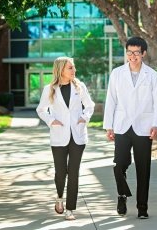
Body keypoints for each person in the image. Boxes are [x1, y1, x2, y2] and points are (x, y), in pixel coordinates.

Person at [103, 36, 157, 219]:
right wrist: (109, 126)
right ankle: (122, 194)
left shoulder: (152, 75)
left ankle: (142, 208)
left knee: (143, 169)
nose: (132, 56)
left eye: (136, 52)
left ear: (143, 54)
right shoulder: (117, 73)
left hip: (144, 127)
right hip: (122, 126)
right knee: (119, 164)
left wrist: (156, 125)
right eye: (129, 52)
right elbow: (111, 100)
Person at [36, 56, 95, 221]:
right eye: (70, 67)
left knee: (74, 172)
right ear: (61, 69)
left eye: (73, 67)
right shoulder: (50, 89)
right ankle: (60, 197)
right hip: (58, 135)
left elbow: (89, 105)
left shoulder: (80, 86)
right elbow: (41, 109)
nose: (73, 70)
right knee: (61, 172)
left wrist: (84, 117)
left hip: (78, 136)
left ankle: (70, 209)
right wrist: (50, 120)